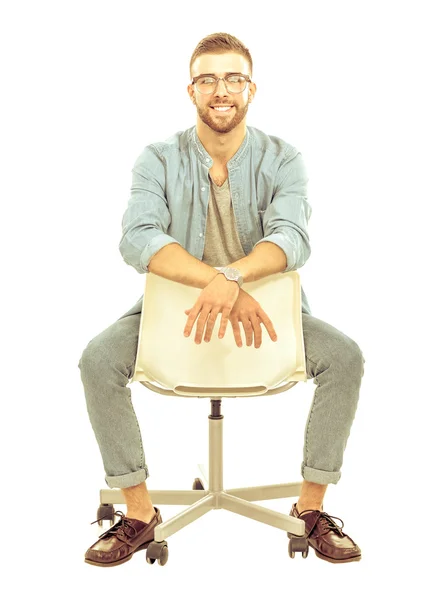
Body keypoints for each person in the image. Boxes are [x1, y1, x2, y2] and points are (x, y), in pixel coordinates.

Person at [79, 32, 365, 567]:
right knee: (98, 360)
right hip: (172, 317)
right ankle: (139, 514)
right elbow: (137, 237)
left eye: (233, 77)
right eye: (208, 78)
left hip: (272, 315)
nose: (221, 89)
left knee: (344, 357)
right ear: (191, 91)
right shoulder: (157, 158)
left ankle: (310, 508)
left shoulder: (284, 158)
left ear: (251, 89)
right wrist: (220, 285)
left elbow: (292, 239)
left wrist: (230, 277)